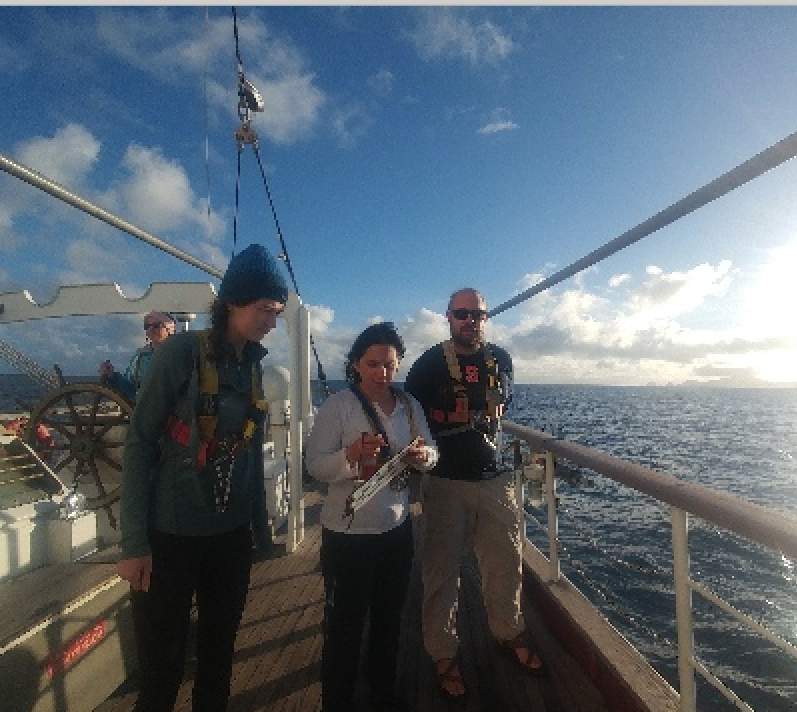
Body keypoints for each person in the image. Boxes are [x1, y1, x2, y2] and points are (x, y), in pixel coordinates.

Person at [117, 243, 287, 712]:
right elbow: (139, 443)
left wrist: (259, 531)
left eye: (276, 313)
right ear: (231, 302)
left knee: (218, 661)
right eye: (264, 309)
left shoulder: (253, 365)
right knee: (162, 670)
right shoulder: (179, 353)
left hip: (230, 540)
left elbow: (250, 452)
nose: (271, 321)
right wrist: (134, 544)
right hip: (170, 538)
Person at [404, 287, 543, 700]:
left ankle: (509, 631)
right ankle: (443, 652)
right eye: (462, 314)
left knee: (504, 562)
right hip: (445, 481)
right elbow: (409, 413)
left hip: (494, 479)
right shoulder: (429, 364)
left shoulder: (501, 359)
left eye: (478, 314)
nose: (471, 320)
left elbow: (504, 405)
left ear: (486, 317)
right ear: (448, 316)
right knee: (442, 572)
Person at [306, 322, 438, 712]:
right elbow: (314, 466)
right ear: (356, 365)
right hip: (347, 536)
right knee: (343, 628)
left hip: (396, 531)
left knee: (388, 622)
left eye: (390, 364)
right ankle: (337, 702)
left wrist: (422, 457)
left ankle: (382, 695)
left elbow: (432, 451)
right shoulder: (338, 406)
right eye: (373, 363)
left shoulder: (411, 406)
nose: (382, 373)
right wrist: (351, 456)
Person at [99, 311, 175, 402]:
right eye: (147, 326)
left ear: (170, 329)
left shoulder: (180, 355)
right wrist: (112, 376)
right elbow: (131, 389)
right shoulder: (140, 356)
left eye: (156, 326)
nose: (150, 329)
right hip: (146, 411)